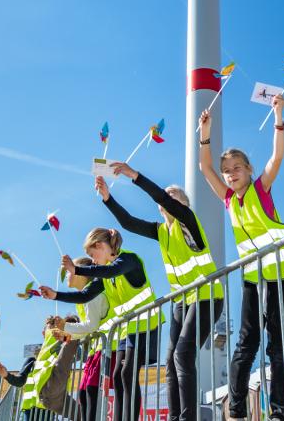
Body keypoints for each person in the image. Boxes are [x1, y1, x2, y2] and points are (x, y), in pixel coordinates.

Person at [197, 94, 284, 421]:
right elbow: (204, 166)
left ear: (248, 170)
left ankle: (280, 410)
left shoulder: (261, 188)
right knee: (245, 345)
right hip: (253, 279)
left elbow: (278, 155)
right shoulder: (228, 199)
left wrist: (279, 115)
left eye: (236, 168)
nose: (230, 174)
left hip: (282, 275)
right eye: (226, 171)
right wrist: (205, 134)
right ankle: (237, 410)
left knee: (275, 344)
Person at [97, 163, 225, 421]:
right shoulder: (161, 231)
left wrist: (134, 175)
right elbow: (129, 223)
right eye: (166, 197)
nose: (167, 198)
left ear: (183, 204)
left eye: (173, 196)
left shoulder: (188, 221)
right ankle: (176, 416)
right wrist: (108, 199)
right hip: (181, 301)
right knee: (170, 362)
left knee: (183, 355)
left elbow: (162, 197)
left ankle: (187, 417)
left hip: (206, 296)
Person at [40, 228, 164, 421]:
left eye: (92, 255)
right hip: (127, 331)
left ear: (100, 246)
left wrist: (77, 268)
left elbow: (111, 270)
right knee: (119, 376)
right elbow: (84, 295)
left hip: (146, 325)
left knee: (127, 374)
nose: (93, 261)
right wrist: (56, 295)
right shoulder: (105, 278)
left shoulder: (127, 260)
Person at [53, 256, 110, 421]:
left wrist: (66, 327)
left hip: (105, 347)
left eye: (70, 272)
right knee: (84, 392)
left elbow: (91, 326)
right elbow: (86, 329)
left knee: (91, 391)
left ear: (81, 274)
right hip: (96, 349)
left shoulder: (92, 294)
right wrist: (66, 334)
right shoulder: (84, 298)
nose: (67, 276)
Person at [20, 315, 80, 416]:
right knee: (73, 339)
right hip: (51, 385)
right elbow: (78, 350)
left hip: (49, 398)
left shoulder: (48, 341)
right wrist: (80, 333)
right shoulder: (55, 334)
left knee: (80, 415)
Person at [0, 356, 35, 421]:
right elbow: (20, 381)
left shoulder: (56, 360)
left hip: (51, 408)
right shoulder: (32, 360)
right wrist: (7, 375)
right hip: (30, 410)